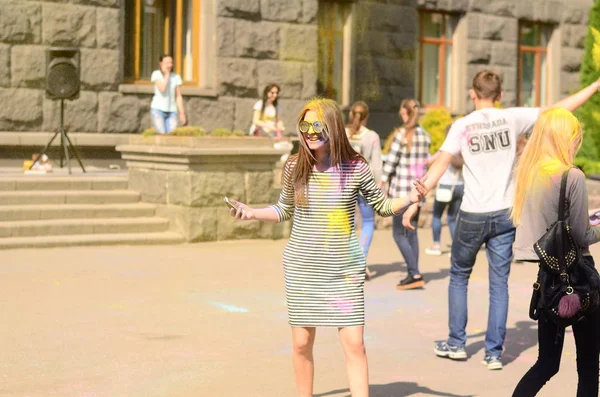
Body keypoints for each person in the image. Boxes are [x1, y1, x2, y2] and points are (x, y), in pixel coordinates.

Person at [402, 70, 600, 370]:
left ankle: (456, 343)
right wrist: (595, 85)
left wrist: (417, 198)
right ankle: (493, 352)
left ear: (472, 94)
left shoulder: (463, 125)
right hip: (505, 213)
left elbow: (441, 162)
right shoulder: (512, 117)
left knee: (458, 277)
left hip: (472, 212)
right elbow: (560, 109)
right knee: (499, 284)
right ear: (500, 95)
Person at [228, 98, 423, 397]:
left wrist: (409, 198)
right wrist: (252, 212)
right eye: (304, 126)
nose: (309, 132)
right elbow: (283, 209)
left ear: (331, 126)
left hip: (344, 271)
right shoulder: (295, 165)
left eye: (316, 126)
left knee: (355, 345)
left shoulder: (355, 166)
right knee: (302, 343)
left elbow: (382, 206)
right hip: (303, 269)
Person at [511, 108, 600, 396]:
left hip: (548, 278)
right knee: (588, 363)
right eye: (574, 137)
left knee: (547, 362)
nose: (576, 143)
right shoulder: (571, 176)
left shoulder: (529, 173)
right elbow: (582, 234)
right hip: (580, 278)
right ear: (564, 138)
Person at [379, 99, 431, 290]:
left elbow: (391, 162)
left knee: (398, 234)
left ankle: (415, 272)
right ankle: (412, 272)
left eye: (402, 113)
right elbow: (425, 164)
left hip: (401, 192)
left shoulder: (401, 135)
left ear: (406, 113)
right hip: (417, 192)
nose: (401, 116)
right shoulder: (425, 136)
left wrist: (382, 181)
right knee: (412, 233)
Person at [345, 101, 382, 279]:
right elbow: (376, 165)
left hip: (344, 186)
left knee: (348, 225)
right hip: (364, 184)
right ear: (367, 116)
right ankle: (360, 261)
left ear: (351, 115)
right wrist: (378, 184)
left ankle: (347, 263)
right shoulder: (372, 136)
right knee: (367, 222)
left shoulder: (343, 133)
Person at [425, 125, 464, 256]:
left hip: (445, 187)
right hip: (459, 187)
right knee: (453, 218)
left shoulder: (445, 150)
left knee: (437, 215)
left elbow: (430, 161)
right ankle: (455, 248)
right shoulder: (464, 150)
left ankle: (436, 245)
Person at [150, 54, 186, 134]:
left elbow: (178, 96)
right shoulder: (156, 74)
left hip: (172, 111)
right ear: (161, 64)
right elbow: (162, 89)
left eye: (171, 63)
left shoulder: (176, 77)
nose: (169, 65)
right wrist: (167, 75)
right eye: (167, 63)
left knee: (171, 135)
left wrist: (182, 113)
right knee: (161, 134)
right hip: (158, 110)